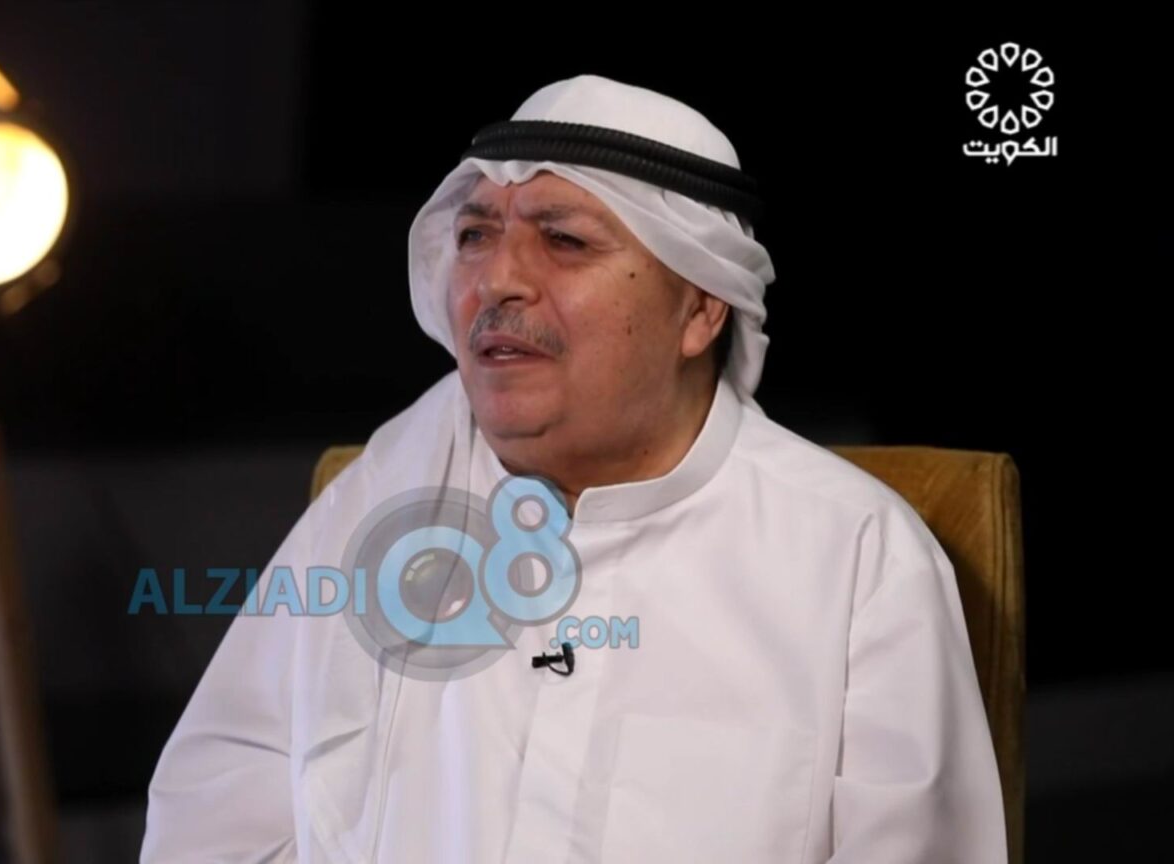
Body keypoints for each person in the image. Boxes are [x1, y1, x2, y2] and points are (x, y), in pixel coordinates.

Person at [140, 74, 1007, 862]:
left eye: (562, 240)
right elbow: (213, 821)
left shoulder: (854, 557)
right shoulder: (387, 493)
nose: (496, 281)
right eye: (476, 235)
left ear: (700, 310)